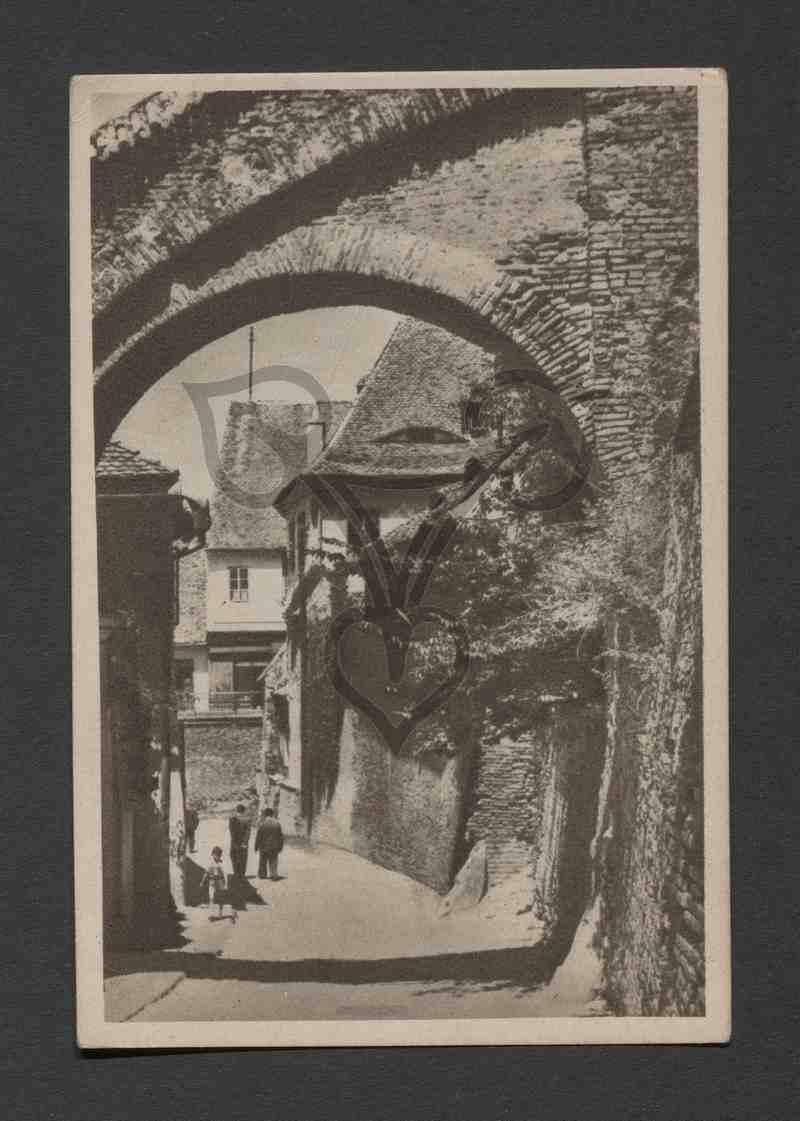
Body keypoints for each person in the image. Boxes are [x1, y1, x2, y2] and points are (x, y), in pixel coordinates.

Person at [199, 846, 236, 922]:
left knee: (220, 898)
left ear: (220, 855)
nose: (216, 856)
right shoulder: (210, 863)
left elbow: (225, 874)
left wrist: (226, 884)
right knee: (211, 897)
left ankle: (220, 912)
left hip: (220, 881)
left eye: (218, 855)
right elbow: (206, 873)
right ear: (212, 854)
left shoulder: (222, 863)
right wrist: (202, 881)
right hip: (212, 882)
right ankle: (211, 914)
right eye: (215, 854)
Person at [254, 808, 284, 880]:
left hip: (264, 846)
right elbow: (281, 837)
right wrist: (280, 846)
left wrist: (256, 846)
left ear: (265, 814)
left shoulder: (262, 824)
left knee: (263, 861)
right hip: (274, 846)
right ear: (272, 814)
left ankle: (262, 875)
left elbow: (259, 836)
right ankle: (274, 875)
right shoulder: (277, 823)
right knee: (273, 860)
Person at [228, 804, 252, 878]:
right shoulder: (247, 819)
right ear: (244, 811)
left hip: (234, 841)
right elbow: (248, 832)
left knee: (234, 856)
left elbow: (231, 831)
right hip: (243, 842)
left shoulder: (232, 819)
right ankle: (242, 873)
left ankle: (236, 872)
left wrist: (234, 841)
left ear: (236, 810)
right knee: (243, 858)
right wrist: (245, 842)